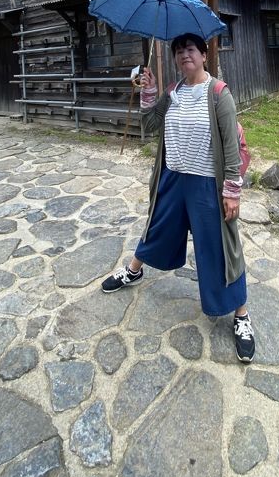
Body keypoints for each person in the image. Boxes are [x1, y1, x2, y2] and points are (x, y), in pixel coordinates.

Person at [100, 33, 255, 364]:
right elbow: (152, 123)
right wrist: (148, 90)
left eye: (190, 50)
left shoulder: (218, 94)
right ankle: (134, 270)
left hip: (206, 186)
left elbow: (230, 145)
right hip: (173, 178)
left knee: (221, 247)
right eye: (178, 51)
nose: (184, 55)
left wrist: (231, 190)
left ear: (203, 55)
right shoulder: (173, 92)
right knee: (156, 227)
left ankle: (241, 314)